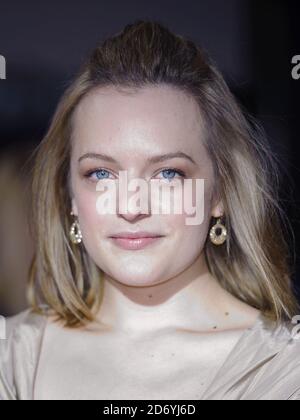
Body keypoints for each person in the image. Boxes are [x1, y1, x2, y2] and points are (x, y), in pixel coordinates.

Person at [0, 19, 299, 400]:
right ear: (70, 196)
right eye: (101, 173)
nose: (131, 205)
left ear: (219, 192)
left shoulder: (283, 370)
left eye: (168, 173)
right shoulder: (12, 359)